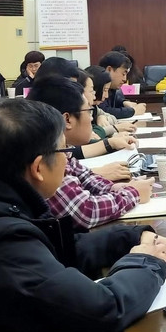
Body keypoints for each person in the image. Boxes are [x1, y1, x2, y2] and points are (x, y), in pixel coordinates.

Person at [0, 98, 166, 332]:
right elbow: (102, 310)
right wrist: (146, 261)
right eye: (65, 151)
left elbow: (59, 250)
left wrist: (131, 236)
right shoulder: (2, 242)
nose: (69, 160)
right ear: (38, 168)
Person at [28, 75, 154, 229]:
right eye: (89, 111)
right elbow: (85, 211)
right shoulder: (45, 154)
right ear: (67, 119)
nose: (92, 118)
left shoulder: (62, 149)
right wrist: (133, 193)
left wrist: (116, 188)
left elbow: (86, 178)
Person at [98, 51, 147, 119]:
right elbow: (104, 111)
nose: (125, 79)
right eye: (123, 74)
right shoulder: (97, 85)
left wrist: (124, 102)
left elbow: (114, 100)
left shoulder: (111, 87)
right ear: (109, 70)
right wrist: (133, 111)